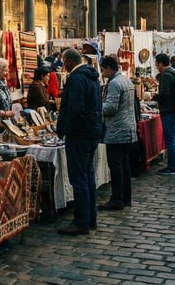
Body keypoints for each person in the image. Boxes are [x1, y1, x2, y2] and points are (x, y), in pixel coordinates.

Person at [56, 48, 102, 236]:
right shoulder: (91, 77)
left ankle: (81, 221)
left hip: (80, 134)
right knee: (87, 175)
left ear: (67, 61)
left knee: (79, 178)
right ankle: (90, 217)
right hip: (91, 131)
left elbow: (75, 108)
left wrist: (66, 129)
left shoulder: (76, 79)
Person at [98, 56, 137, 211]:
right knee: (124, 164)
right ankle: (125, 197)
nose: (101, 73)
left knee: (116, 165)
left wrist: (96, 106)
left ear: (108, 68)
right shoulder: (125, 80)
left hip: (117, 129)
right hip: (127, 127)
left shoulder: (114, 83)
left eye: (102, 69)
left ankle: (117, 199)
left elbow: (110, 107)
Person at [153, 52, 175, 175]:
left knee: (171, 139)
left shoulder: (166, 75)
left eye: (157, 64)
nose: (156, 67)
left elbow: (165, 94)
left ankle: (173, 166)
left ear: (161, 63)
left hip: (170, 111)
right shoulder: (174, 72)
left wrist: (154, 97)